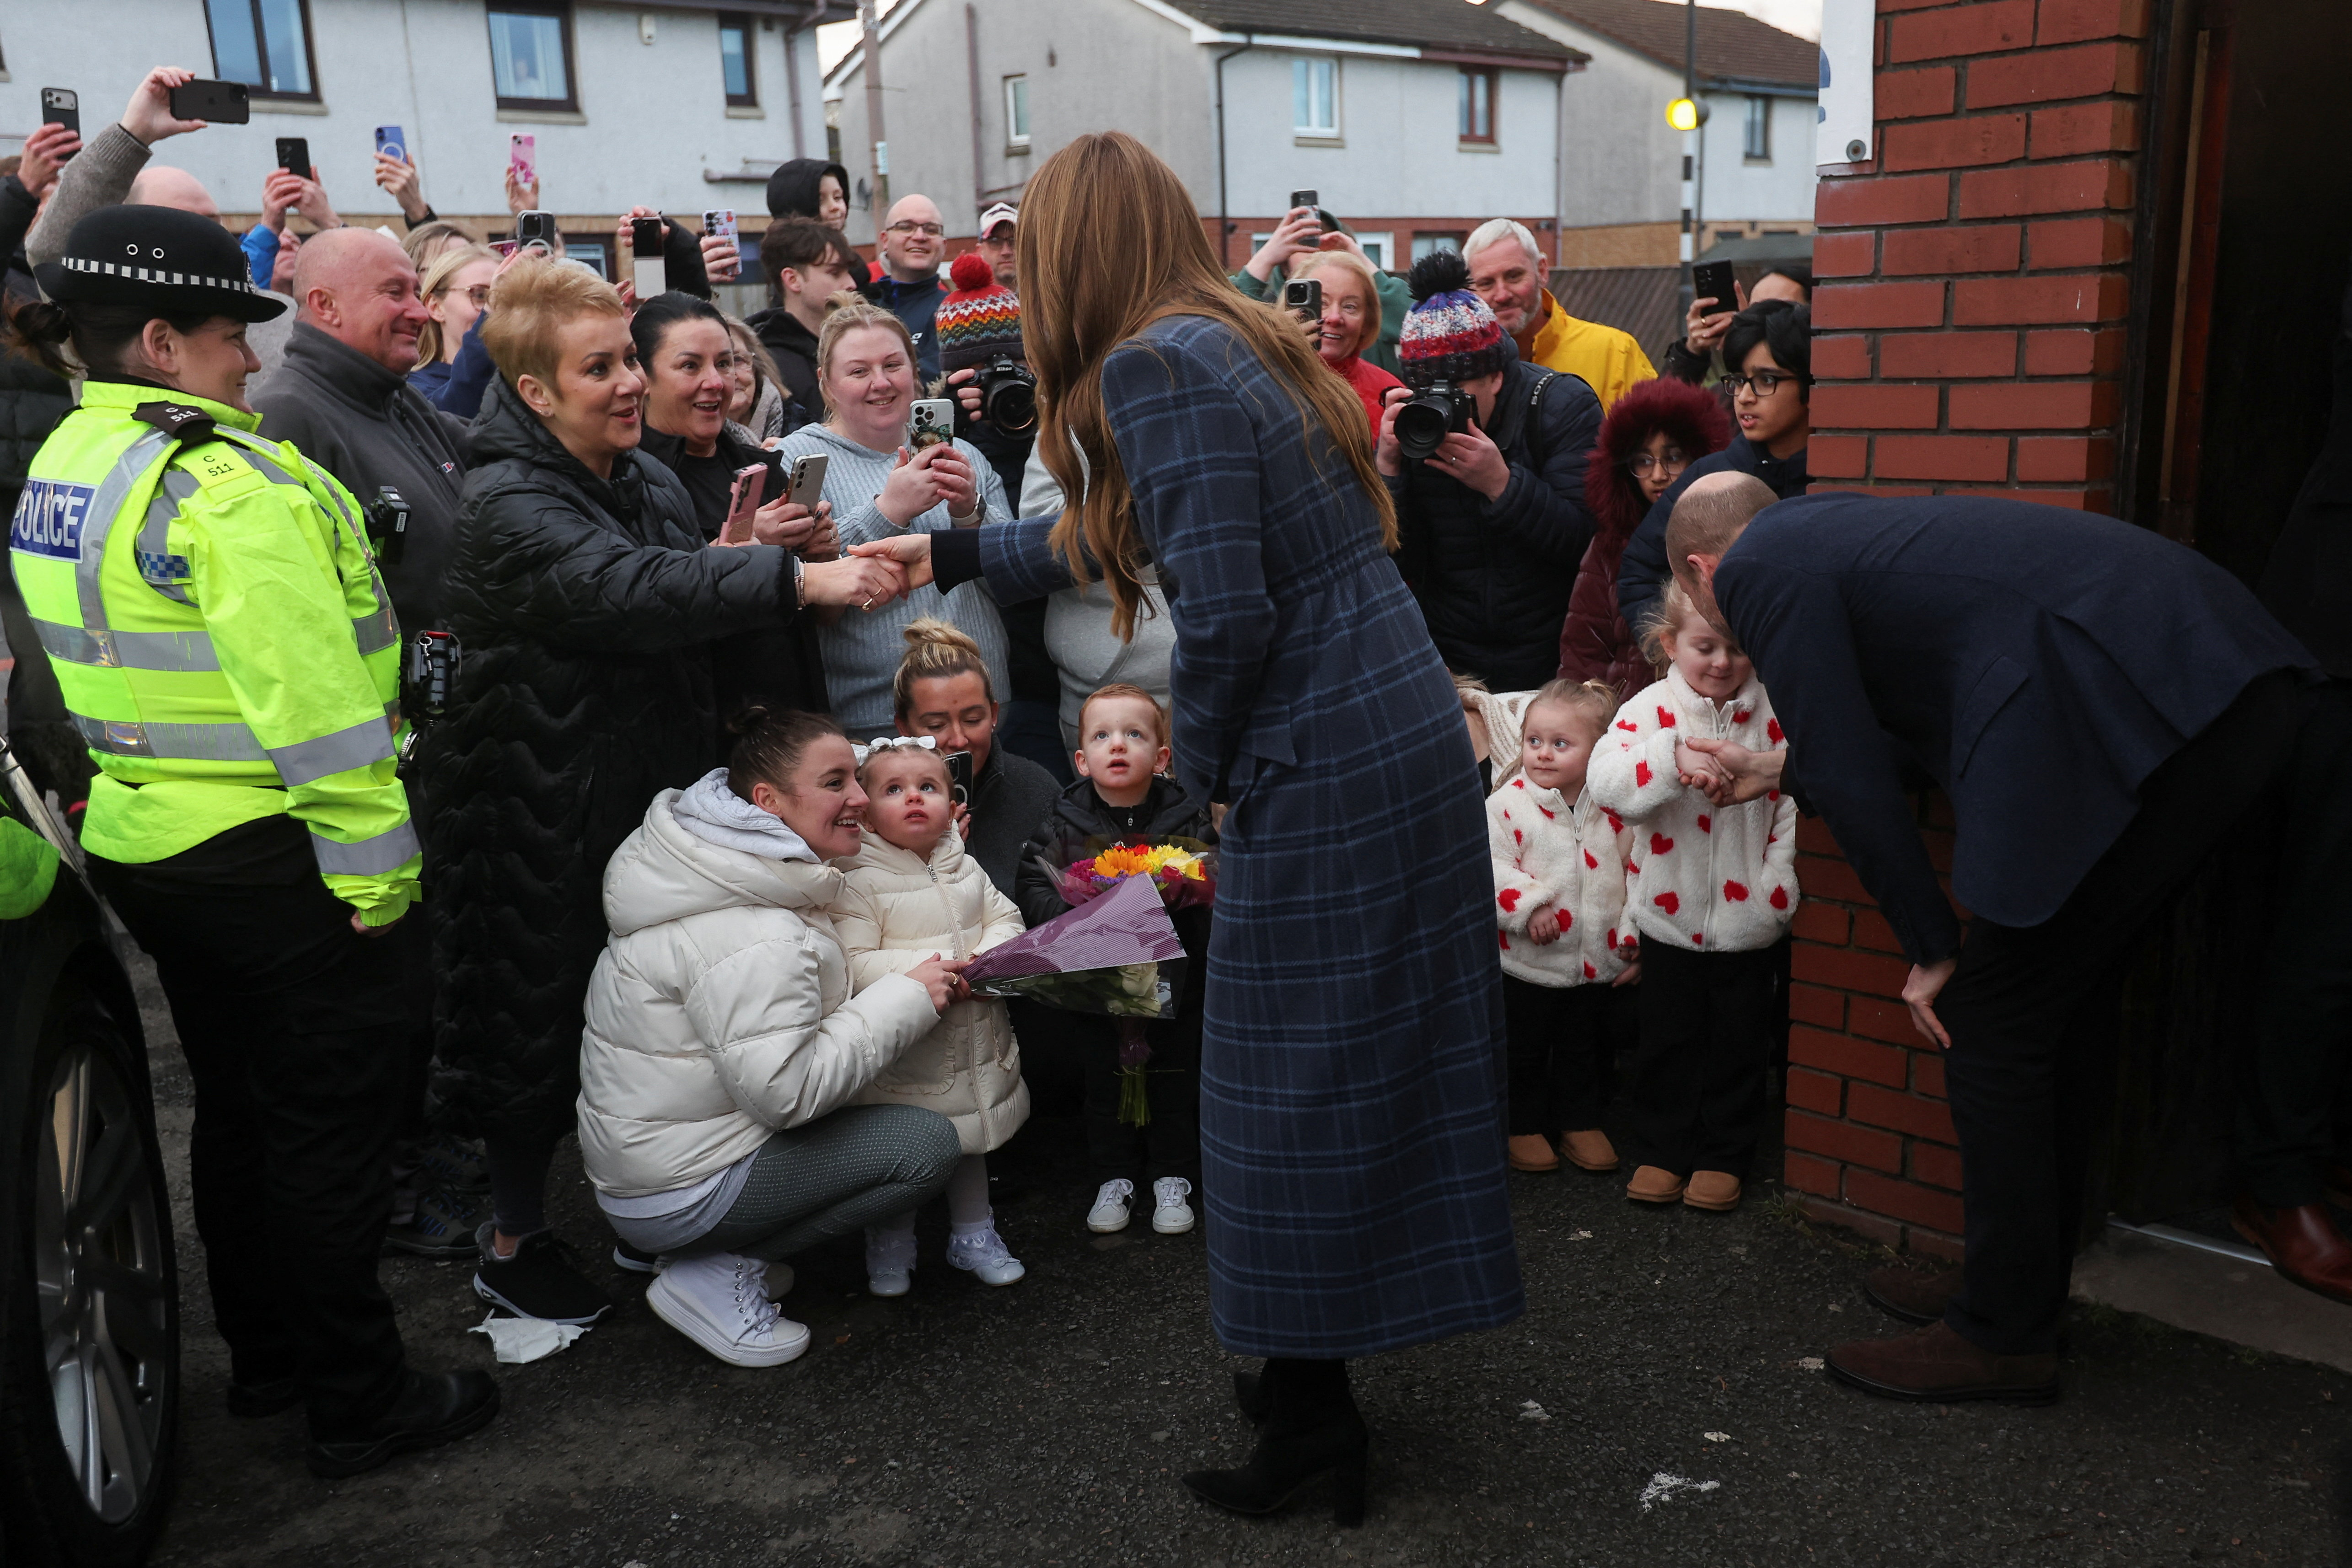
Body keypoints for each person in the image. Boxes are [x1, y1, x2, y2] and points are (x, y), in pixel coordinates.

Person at [850, 132, 1521, 1524]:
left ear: (1075, 251)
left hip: (1321, 739)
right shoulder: (1224, 335)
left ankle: (1314, 1418)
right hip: (1381, 706)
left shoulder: (1152, 363)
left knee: (1288, 1082)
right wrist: (952, 552)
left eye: (1035, 248)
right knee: (1347, 1060)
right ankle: (1302, 1378)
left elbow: (1220, 612)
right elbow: (1149, 533)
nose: (1024, 275)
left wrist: (1203, 780)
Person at [6, 204, 498, 1476]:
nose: (249, 362)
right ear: (163, 342)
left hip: (151, 840)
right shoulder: (223, 484)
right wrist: (382, 882)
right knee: (328, 1129)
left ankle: (270, 1355)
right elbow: (322, 711)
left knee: (236, 1109)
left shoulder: (73, 457)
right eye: (232, 335)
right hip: (283, 855)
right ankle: (359, 1395)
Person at [1660, 474, 2322, 1396]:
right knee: (2058, 1007)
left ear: (1701, 570)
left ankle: (2002, 1334)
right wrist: (1772, 767)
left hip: (2166, 704)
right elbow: (1888, 729)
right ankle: (2013, 1286)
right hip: (2221, 681)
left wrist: (1930, 946)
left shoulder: (1762, 567)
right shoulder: (1830, 527)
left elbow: (1850, 766)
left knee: (1993, 1024)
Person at [414, 257, 907, 1327]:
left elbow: (681, 584)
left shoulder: (632, 473)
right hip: (528, 803)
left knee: (642, 1009)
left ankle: (653, 1213)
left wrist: (749, 554)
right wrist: (788, 577)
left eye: (629, 358)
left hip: (633, 789)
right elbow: (624, 589)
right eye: (601, 367)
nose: (631, 383)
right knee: (529, 1017)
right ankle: (513, 1240)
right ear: (537, 393)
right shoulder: (505, 501)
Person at [576, 710, 966, 1367]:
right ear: (767, 801)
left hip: (651, 1168)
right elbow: (787, 1095)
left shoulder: (724, 868)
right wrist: (905, 997)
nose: (862, 800)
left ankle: (694, 1252)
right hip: (680, 1187)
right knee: (922, 1146)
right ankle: (717, 1268)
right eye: (836, 782)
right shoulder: (755, 930)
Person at [1587, 579, 1796, 1213]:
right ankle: (1661, 1149)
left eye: (1736, 648)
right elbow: (1606, 783)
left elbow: (1790, 807)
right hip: (1667, 914)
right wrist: (1667, 755)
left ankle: (1723, 1155)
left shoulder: (1773, 711)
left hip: (1748, 919)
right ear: (1669, 644)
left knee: (1740, 1043)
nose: (1722, 663)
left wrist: (1773, 893)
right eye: (1705, 646)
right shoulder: (1648, 711)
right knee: (1668, 1038)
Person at [1015, 685, 1214, 1238]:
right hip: (1098, 987)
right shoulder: (1062, 820)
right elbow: (1033, 882)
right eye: (1102, 736)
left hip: (1174, 983)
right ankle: (1113, 1175)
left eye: (1135, 734)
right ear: (1081, 759)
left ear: (1163, 755)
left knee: (1174, 1076)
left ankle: (1174, 1174)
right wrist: (1082, 914)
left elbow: (1211, 879)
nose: (1118, 745)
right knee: (1104, 1078)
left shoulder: (1188, 817)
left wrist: (1174, 895)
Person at [835, 735, 1030, 1293]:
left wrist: (988, 960)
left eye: (929, 787)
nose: (914, 798)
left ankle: (973, 1234)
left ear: (953, 802)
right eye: (894, 789)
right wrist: (938, 968)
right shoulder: (859, 880)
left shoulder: (963, 865)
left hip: (973, 1041)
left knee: (971, 1141)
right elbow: (853, 962)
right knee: (904, 1150)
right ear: (866, 809)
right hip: (908, 1052)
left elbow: (1006, 916)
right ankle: (891, 1241)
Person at [773, 300, 1012, 736]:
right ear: (826, 382)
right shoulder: (798, 460)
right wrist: (889, 511)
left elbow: (1012, 579)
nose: (880, 383)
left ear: (914, 372)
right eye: (859, 371)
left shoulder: (965, 454)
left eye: (893, 365)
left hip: (984, 710)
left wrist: (968, 512)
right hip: (874, 717)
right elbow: (796, 581)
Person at [1383, 249, 1602, 692]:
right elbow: (1396, 558)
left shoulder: (1560, 406)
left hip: (1552, 659)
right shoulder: (1416, 426)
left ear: (1496, 376)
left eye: (1455, 387)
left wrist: (1501, 485)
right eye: (1426, 387)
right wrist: (1388, 470)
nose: (1439, 402)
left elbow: (1587, 544)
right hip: (1450, 659)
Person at [631, 290, 832, 724]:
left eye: (725, 363)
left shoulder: (763, 467)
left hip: (790, 719)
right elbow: (646, 605)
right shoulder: (629, 479)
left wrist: (820, 555)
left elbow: (820, 618)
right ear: (643, 377)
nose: (717, 382)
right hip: (699, 723)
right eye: (690, 366)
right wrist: (748, 544)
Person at [251, 229, 467, 634]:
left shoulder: (398, 399)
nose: (420, 313)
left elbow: (499, 448)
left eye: (416, 293)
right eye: (394, 293)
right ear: (326, 305)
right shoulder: (285, 420)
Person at [1487, 678, 1637, 1176]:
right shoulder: (1507, 806)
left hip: (1593, 959)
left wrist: (1632, 930)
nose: (1543, 754)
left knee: (1584, 1045)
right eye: (1534, 740)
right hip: (1528, 962)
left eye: (1560, 744)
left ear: (1598, 752)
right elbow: (1488, 865)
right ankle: (1523, 1125)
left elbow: (1637, 869)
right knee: (1524, 1047)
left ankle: (1580, 1121)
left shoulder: (1616, 812)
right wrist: (1530, 906)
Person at [932, 252, 1064, 781]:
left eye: (1010, 364)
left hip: (1063, 665)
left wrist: (1038, 415)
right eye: (976, 374)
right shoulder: (951, 436)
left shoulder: (1059, 422)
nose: (997, 385)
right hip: (1003, 676)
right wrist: (954, 424)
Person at [1617, 300, 1810, 632]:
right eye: (1738, 380)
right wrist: (1684, 649)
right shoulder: (1708, 476)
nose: (1745, 397)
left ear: (1810, 385)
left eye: (1766, 380)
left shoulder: (1840, 478)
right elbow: (1638, 572)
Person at [1557, 376, 1730, 692]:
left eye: (1674, 457)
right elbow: (1583, 656)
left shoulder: (1730, 540)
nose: (1659, 475)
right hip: (1622, 721)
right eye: (1643, 461)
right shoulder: (1608, 547)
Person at [887, 618, 1059, 900]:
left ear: (994, 714)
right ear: (904, 727)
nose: (958, 740)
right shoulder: (876, 807)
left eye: (972, 719)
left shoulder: (1036, 789)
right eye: (935, 726)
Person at [1463, 219, 1654, 410]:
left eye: (1514, 276)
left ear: (1542, 272)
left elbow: (1658, 438)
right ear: (1468, 292)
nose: (1503, 295)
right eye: (1486, 284)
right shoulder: (1460, 364)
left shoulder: (1614, 353)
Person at [1231, 201, 1411, 376]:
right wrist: (1265, 259)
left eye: (1330, 250)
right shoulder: (1264, 313)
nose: (1334, 318)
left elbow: (1416, 318)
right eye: (1305, 247)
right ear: (1284, 265)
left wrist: (1359, 263)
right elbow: (1218, 322)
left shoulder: (1364, 317)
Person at [748, 218, 861, 418]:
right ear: (793, 279)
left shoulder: (860, 342)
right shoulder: (767, 363)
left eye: (849, 272)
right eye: (834, 272)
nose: (851, 283)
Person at [1288, 249, 1401, 430]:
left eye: (1350, 307)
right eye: (1321, 303)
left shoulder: (1389, 393)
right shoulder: (1262, 384)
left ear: (1367, 321)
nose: (1334, 318)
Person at [1659, 265, 1810, 389]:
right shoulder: (1728, 395)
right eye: (1756, 310)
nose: (1747, 398)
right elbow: (1660, 414)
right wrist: (1692, 352)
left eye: (1779, 312)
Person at [408, 242, 500, 417]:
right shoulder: (414, 387)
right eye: (480, 295)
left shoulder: (530, 382)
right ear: (436, 307)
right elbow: (454, 412)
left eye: (505, 296)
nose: (497, 308)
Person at [865, 193, 950, 379]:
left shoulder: (955, 313)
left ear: (944, 245)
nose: (920, 237)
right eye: (906, 227)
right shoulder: (861, 310)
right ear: (885, 240)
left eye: (931, 230)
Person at [764, 156, 867, 288]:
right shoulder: (789, 261)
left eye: (838, 197)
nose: (834, 206)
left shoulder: (852, 259)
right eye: (820, 201)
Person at [723, 315, 798, 441]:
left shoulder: (799, 426)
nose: (733, 375)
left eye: (738, 360)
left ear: (755, 367)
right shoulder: (691, 447)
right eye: (721, 364)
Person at [975, 201, 1019, 289]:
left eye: (1013, 240)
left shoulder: (1045, 299)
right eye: (995, 241)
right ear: (980, 251)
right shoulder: (969, 302)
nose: (1006, 252)